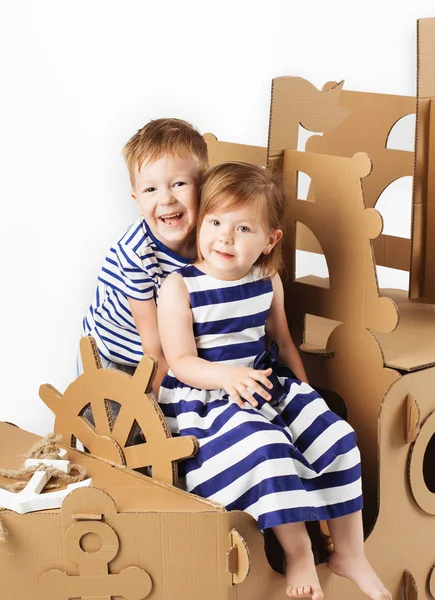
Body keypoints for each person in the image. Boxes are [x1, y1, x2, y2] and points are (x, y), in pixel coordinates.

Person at [157, 162, 391, 600]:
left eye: (244, 228)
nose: (225, 237)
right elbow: (182, 360)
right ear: (200, 222)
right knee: (267, 448)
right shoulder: (180, 287)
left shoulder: (266, 280)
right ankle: (298, 551)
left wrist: (308, 395)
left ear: (270, 240)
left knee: (336, 435)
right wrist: (227, 376)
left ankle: (350, 551)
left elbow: (282, 342)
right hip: (205, 401)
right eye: (215, 222)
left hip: (263, 387)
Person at [81, 118, 208, 396]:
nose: (166, 199)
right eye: (151, 189)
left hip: (174, 349)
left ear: (203, 187)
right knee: (123, 426)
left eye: (178, 184)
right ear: (136, 199)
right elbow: (154, 350)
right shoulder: (135, 253)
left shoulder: (213, 237)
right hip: (113, 354)